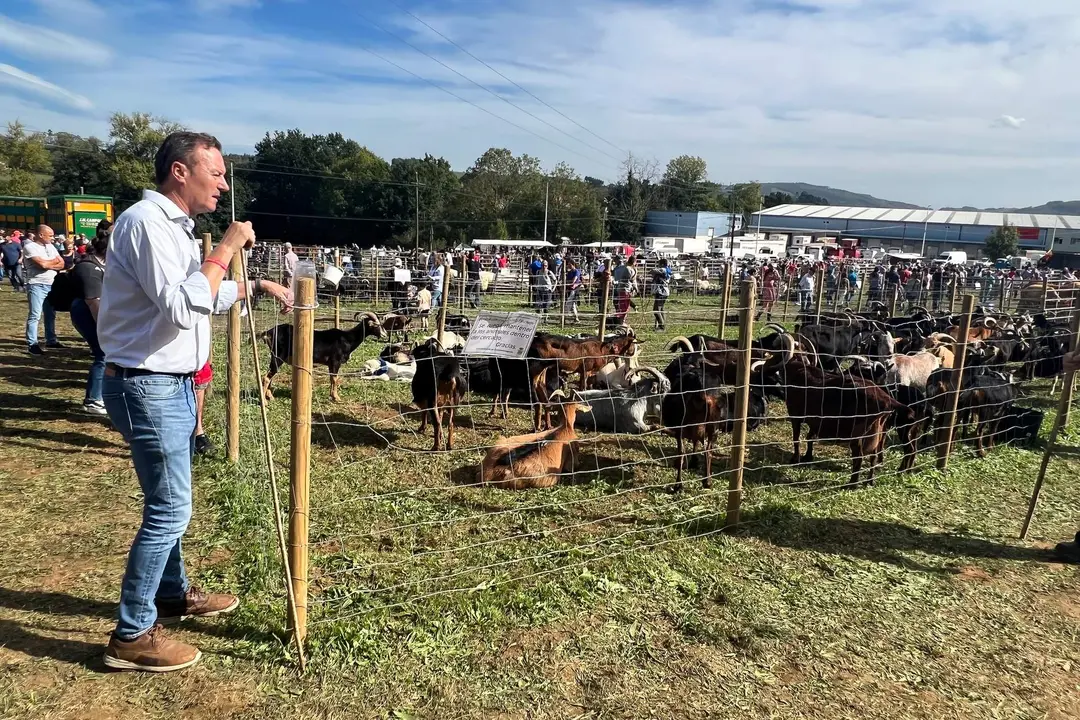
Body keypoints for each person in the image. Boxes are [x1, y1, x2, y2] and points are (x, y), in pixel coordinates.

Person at [97, 131, 291, 672]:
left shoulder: (174, 228)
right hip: (148, 384)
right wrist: (226, 249)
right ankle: (132, 634)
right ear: (180, 172)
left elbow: (198, 294)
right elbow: (184, 306)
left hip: (169, 383)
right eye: (218, 172)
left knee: (168, 499)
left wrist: (253, 288)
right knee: (170, 507)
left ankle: (173, 594)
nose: (224, 183)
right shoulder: (146, 223)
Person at [69, 221, 110, 414]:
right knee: (103, 353)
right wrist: (104, 328)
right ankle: (93, 399)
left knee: (104, 353)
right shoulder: (89, 268)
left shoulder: (100, 265)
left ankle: (99, 396)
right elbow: (93, 301)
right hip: (87, 312)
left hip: (94, 309)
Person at [24, 224, 65, 355]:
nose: (53, 238)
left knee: (50, 314)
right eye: (50, 235)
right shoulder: (30, 247)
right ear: (41, 235)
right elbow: (41, 264)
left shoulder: (51, 246)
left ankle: (51, 340)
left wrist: (49, 264)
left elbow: (62, 263)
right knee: (35, 315)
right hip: (37, 284)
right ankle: (32, 344)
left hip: (51, 284)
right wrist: (52, 263)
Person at [612, 254, 637, 322]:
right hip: (621, 287)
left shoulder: (625, 268)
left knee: (622, 304)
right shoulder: (620, 268)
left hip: (623, 288)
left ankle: (620, 319)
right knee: (620, 303)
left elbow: (627, 279)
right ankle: (620, 318)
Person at [651, 258, 671, 330]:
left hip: (661, 292)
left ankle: (662, 327)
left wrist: (654, 271)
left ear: (662, 264)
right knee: (661, 309)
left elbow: (652, 271)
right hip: (663, 291)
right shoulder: (667, 270)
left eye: (659, 264)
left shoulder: (663, 269)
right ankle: (662, 325)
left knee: (656, 310)